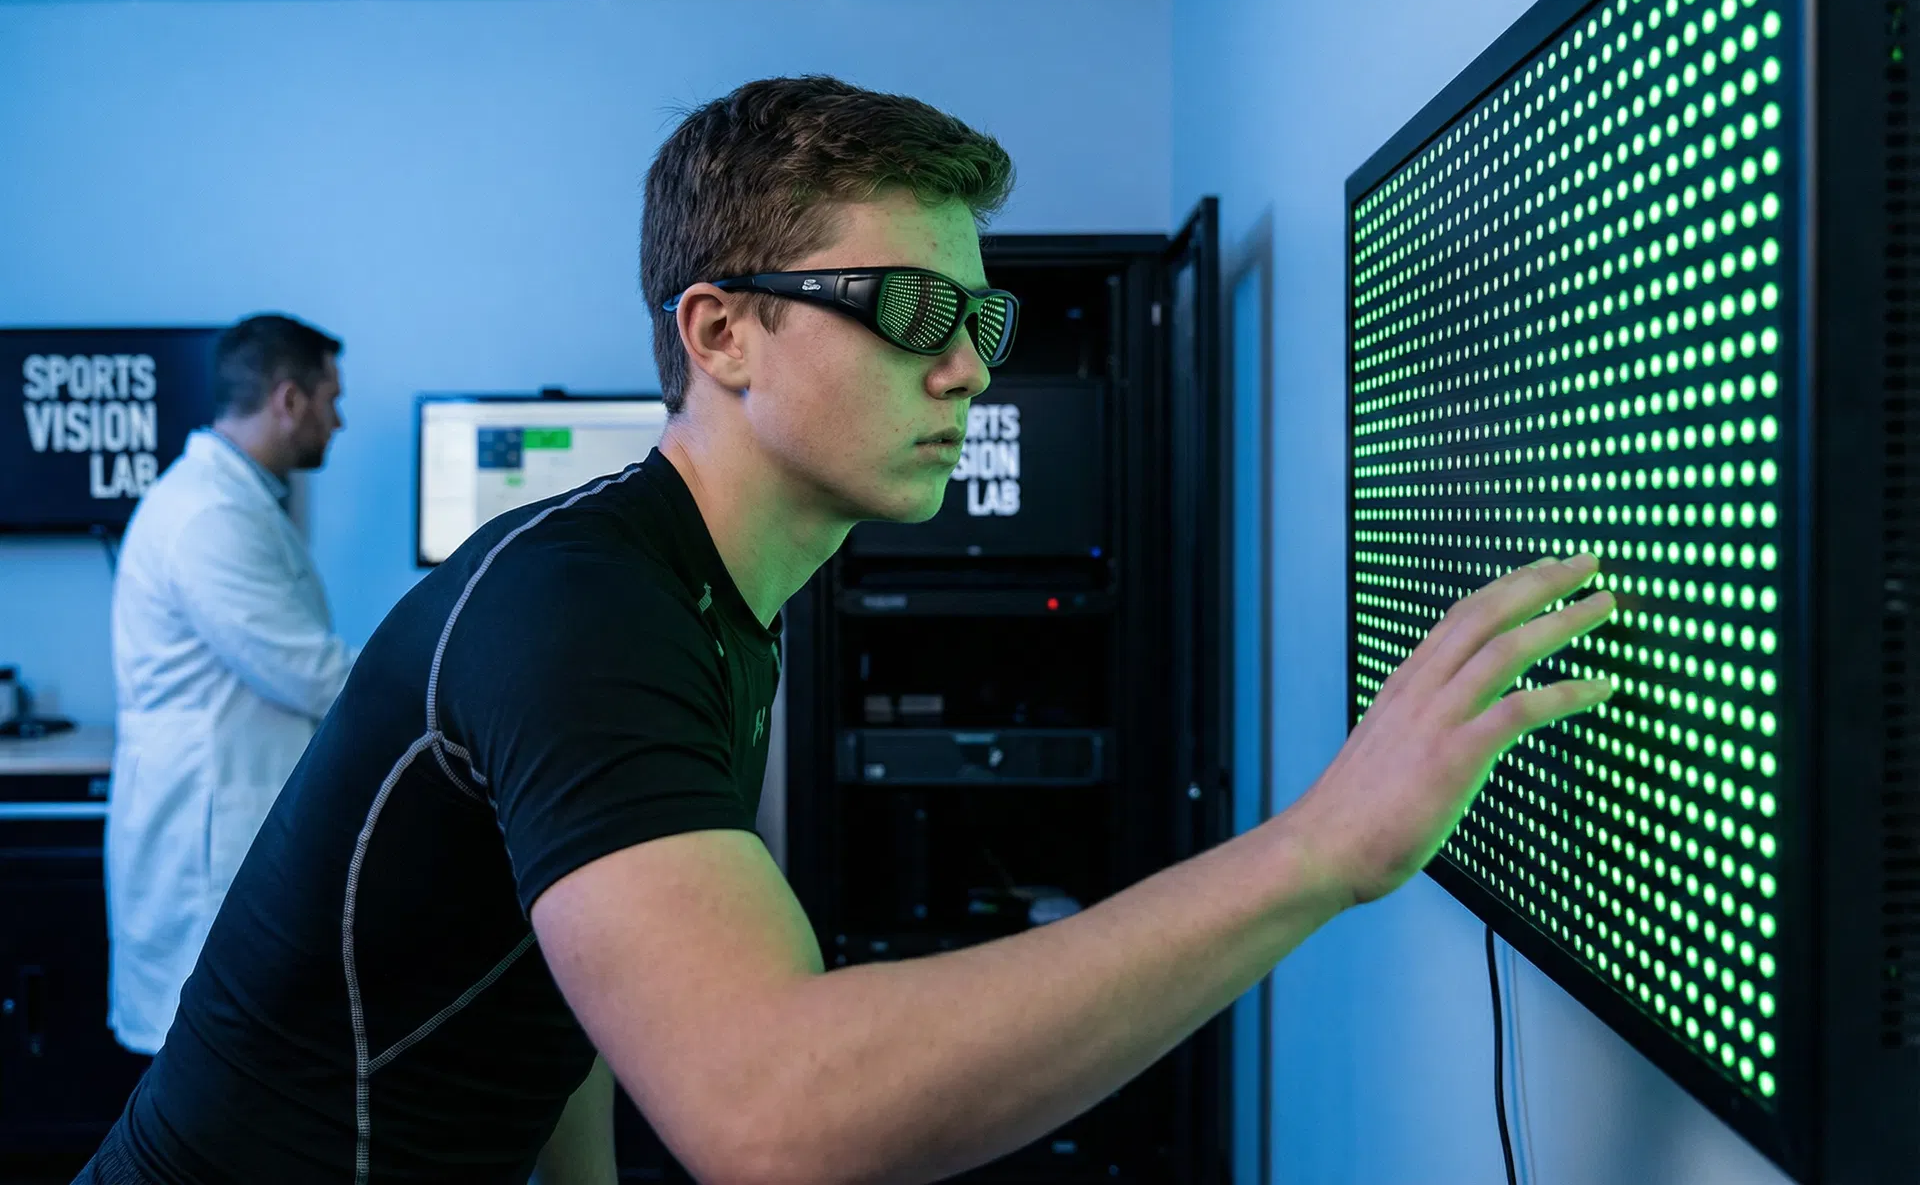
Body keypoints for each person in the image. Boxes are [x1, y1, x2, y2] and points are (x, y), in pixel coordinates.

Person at [74, 77, 1615, 1185]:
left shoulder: (711, 595)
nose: (968, 374)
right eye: (912, 311)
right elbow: (775, 1117)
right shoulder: (584, 604)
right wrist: (1323, 849)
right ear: (720, 331)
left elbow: (560, 989)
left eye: (985, 322)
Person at [104, 313, 356, 1058]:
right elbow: (309, 672)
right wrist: (451, 679)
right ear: (288, 399)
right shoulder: (210, 516)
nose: (338, 422)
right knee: (212, 1077)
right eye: (331, 400)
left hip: (230, 819)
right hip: (206, 841)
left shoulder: (240, 500)